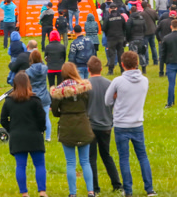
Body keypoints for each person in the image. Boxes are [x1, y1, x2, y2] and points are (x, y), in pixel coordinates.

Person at [104, 51, 156, 197]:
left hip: (121, 124)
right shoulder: (144, 80)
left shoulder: (118, 81)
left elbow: (107, 101)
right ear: (137, 63)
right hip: (137, 122)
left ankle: (128, 190)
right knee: (143, 156)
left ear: (122, 64)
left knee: (124, 159)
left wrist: (116, 96)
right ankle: (149, 189)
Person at [51, 62, 95, 197]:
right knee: (85, 161)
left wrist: (63, 113)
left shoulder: (59, 91)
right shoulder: (84, 88)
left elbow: (55, 111)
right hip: (83, 124)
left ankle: (72, 193)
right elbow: (88, 105)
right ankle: (91, 191)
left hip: (67, 126)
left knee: (70, 162)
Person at [1, 72, 47, 197]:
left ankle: (24, 193)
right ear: (28, 84)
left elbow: (3, 119)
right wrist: (41, 129)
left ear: (15, 85)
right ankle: (42, 191)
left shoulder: (9, 101)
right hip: (34, 135)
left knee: (21, 166)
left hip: (17, 136)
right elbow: (42, 117)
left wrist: (12, 129)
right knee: (39, 164)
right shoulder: (34, 100)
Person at [86, 56, 123, 195]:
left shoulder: (85, 85)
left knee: (91, 158)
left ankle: (94, 188)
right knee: (106, 155)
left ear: (88, 69)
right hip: (106, 124)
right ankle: (117, 184)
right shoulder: (110, 83)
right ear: (101, 68)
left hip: (90, 125)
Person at [25, 50, 52, 142]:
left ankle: (36, 135)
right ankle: (48, 137)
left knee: (33, 117)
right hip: (44, 95)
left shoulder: (28, 71)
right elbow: (43, 65)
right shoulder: (45, 68)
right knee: (46, 117)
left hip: (34, 96)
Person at [103, 5, 126, 75]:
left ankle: (110, 70)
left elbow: (103, 28)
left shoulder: (108, 18)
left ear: (110, 9)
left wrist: (108, 34)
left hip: (111, 39)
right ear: (116, 8)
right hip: (120, 38)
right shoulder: (121, 17)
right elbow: (125, 27)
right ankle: (122, 69)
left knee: (112, 54)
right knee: (120, 54)